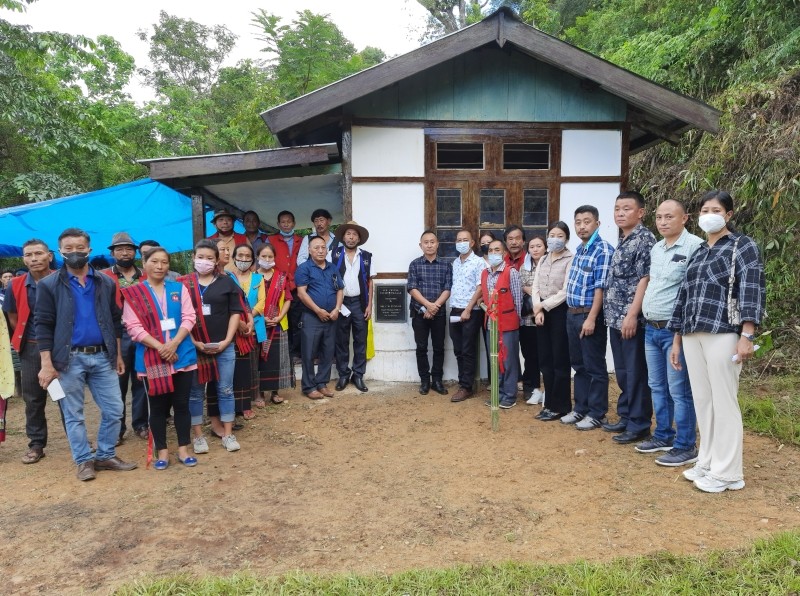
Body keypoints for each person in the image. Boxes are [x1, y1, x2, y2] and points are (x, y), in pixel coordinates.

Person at [669, 190, 766, 493]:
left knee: (724, 401)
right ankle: (708, 461)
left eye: (715, 209)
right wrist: (676, 339)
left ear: (729, 215)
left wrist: (747, 335)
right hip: (692, 332)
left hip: (724, 331)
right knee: (703, 400)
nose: (708, 214)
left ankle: (728, 472)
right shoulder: (699, 251)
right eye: (703, 210)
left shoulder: (742, 245)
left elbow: (751, 288)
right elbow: (684, 295)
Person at [35, 228, 137, 481]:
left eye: (79, 248)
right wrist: (46, 364)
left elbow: (114, 320)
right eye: (68, 249)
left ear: (89, 250)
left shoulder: (105, 282)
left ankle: (104, 454)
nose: (74, 253)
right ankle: (83, 461)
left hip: (103, 356)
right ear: (58, 252)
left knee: (115, 409)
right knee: (74, 414)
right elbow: (43, 324)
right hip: (68, 359)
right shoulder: (49, 284)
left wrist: (118, 356)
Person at [637, 199, 702, 466]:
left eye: (669, 217)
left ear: (684, 218)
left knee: (679, 390)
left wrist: (679, 332)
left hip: (674, 332)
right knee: (657, 386)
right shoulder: (656, 248)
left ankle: (686, 445)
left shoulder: (695, 246)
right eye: (659, 217)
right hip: (651, 329)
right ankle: (663, 434)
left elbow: (691, 293)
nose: (663, 222)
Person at [121, 247, 198, 470]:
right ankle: (162, 451)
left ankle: (184, 449)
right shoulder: (134, 294)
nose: (160, 266)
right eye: (154, 261)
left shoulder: (178, 288)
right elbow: (133, 327)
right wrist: (161, 347)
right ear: (144, 264)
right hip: (152, 358)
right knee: (157, 407)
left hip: (181, 355)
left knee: (182, 405)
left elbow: (189, 317)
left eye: (164, 262)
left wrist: (173, 344)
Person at [602, 191, 657, 443]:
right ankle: (626, 416)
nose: (620, 213)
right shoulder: (623, 239)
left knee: (635, 372)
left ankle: (639, 424)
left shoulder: (644, 239)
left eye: (626, 209)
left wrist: (632, 315)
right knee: (623, 371)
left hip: (630, 319)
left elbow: (644, 279)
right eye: (617, 209)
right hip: (614, 317)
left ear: (640, 213)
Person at [181, 239, 244, 454]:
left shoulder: (227, 283)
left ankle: (228, 433)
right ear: (194, 258)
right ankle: (198, 436)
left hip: (224, 346)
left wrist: (227, 340)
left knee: (225, 389)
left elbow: (236, 312)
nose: (204, 262)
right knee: (195, 392)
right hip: (194, 347)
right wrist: (194, 342)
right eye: (201, 257)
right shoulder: (184, 284)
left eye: (209, 258)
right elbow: (180, 317)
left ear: (216, 260)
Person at [3, 239, 56, 463]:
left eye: (38, 253)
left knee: (67, 397)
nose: (33, 259)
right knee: (33, 398)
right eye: (28, 255)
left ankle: (77, 442)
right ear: (23, 259)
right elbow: (13, 317)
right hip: (31, 347)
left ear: (49, 256)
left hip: (61, 347)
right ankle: (36, 444)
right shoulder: (15, 285)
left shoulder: (61, 280)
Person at [562, 206, 614, 430]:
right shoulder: (581, 249)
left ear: (597, 224)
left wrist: (592, 318)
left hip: (588, 314)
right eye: (578, 222)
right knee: (579, 365)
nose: (582, 226)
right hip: (572, 314)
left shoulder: (602, 250)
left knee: (594, 366)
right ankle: (581, 408)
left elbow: (600, 288)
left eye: (587, 222)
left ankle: (597, 412)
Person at [102, 232, 148, 444]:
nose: (125, 252)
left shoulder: (145, 275)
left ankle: (140, 424)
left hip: (142, 334)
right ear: (112, 253)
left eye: (129, 249)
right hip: (115, 334)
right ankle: (117, 428)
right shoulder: (102, 277)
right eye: (119, 249)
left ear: (135, 252)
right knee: (117, 383)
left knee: (141, 380)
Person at [532, 222, 574, 421]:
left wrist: (543, 306)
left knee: (560, 360)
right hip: (541, 312)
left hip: (559, 313)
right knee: (545, 361)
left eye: (559, 235)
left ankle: (561, 405)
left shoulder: (570, 259)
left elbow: (565, 291)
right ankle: (549, 404)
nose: (554, 239)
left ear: (566, 239)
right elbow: (535, 286)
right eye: (551, 235)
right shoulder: (544, 259)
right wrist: (537, 307)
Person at [295, 235, 344, 399]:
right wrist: (318, 310)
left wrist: (337, 309)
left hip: (332, 317)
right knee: (308, 353)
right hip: (311, 317)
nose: (320, 250)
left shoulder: (332, 268)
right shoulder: (304, 268)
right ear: (309, 250)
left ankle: (322, 383)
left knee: (328, 352)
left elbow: (340, 289)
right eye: (316, 247)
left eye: (323, 247)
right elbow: (302, 293)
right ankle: (309, 387)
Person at [331, 221, 376, 393]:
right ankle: (343, 375)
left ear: (359, 238)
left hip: (359, 303)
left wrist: (369, 306)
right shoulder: (333, 254)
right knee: (341, 340)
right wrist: (335, 305)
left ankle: (358, 375)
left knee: (360, 340)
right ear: (343, 237)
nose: (351, 237)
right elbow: (330, 278)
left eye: (354, 234)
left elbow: (370, 282)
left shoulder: (366, 256)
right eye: (348, 234)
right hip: (341, 303)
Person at [407, 231, 452, 396]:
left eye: (432, 242)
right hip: (419, 313)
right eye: (426, 242)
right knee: (421, 347)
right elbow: (411, 288)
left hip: (438, 314)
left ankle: (437, 381)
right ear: (421, 245)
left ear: (437, 244)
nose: (429, 245)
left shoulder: (446, 265)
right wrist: (427, 306)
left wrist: (435, 306)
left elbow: (448, 288)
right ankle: (424, 381)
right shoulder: (415, 264)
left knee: (439, 348)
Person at [481, 239, 523, 409]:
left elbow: (518, 300)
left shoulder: (511, 272)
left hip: (508, 324)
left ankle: (510, 395)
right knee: (495, 360)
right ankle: (497, 394)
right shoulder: (485, 273)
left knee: (509, 361)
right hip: (491, 324)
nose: (493, 253)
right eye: (490, 250)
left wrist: (514, 321)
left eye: (497, 250)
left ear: (504, 253)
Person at [449, 229, 486, 403]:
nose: (461, 242)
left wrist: (468, 309)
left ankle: (466, 387)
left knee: (468, 349)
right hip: (455, 309)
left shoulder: (479, 262)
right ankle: (463, 382)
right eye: (459, 240)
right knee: (458, 350)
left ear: (472, 243)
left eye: (465, 240)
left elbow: (480, 288)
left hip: (470, 311)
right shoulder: (455, 263)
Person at [224, 243, 261, 420]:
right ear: (233, 259)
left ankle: (244, 405)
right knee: (227, 372)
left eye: (248, 257)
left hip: (245, 328)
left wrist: (249, 320)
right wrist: (238, 321)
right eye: (240, 256)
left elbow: (244, 302)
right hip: (227, 329)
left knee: (244, 369)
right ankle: (227, 409)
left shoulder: (255, 278)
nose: (243, 260)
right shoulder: (226, 277)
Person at [255, 243, 294, 404]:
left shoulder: (281, 277)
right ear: (258, 257)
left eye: (270, 256)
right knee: (260, 359)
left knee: (277, 358)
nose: (267, 259)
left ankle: (275, 392)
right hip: (258, 323)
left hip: (278, 323)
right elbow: (248, 303)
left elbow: (288, 300)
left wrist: (279, 317)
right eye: (264, 256)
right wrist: (262, 318)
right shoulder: (253, 277)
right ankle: (260, 393)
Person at [266, 210, 302, 363]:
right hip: (277, 286)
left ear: (294, 223)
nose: (286, 224)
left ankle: (296, 353)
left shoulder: (301, 240)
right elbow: (267, 259)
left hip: (296, 286)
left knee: (296, 320)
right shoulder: (270, 239)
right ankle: (281, 352)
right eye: (283, 222)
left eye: (289, 221)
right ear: (278, 224)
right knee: (278, 319)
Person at [520, 236, 546, 405]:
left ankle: (548, 391)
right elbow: (522, 286)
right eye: (532, 246)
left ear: (545, 247)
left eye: (539, 246)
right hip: (528, 318)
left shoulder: (550, 265)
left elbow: (552, 288)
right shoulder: (524, 267)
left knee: (546, 356)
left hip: (546, 317)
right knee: (530, 356)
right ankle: (535, 389)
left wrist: (534, 291)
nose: (535, 249)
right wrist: (537, 291)